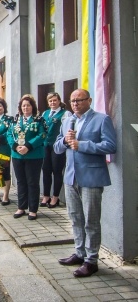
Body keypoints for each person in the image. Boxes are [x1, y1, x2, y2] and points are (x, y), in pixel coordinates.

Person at [54, 89, 117, 278]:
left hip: (91, 177)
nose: (75, 104)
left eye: (79, 100)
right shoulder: (67, 121)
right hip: (71, 177)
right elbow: (57, 147)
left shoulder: (101, 119)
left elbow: (110, 146)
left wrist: (82, 145)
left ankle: (91, 260)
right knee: (75, 218)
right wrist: (65, 141)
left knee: (91, 220)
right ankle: (80, 252)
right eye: (72, 101)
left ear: (89, 100)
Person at [7, 95, 47, 220]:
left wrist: (28, 146)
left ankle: (33, 209)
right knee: (21, 181)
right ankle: (21, 207)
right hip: (17, 155)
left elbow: (43, 134)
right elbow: (9, 133)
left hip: (33, 155)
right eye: (23, 105)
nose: (25, 107)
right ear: (20, 107)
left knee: (32, 182)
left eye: (28, 105)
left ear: (32, 107)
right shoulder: (15, 120)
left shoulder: (39, 120)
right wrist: (15, 146)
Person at [40, 92, 71, 208]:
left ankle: (55, 197)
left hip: (57, 146)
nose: (52, 102)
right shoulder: (45, 113)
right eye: (50, 101)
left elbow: (67, 129)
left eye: (55, 100)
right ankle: (46, 195)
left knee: (57, 171)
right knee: (46, 170)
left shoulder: (65, 114)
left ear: (59, 101)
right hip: (45, 145)